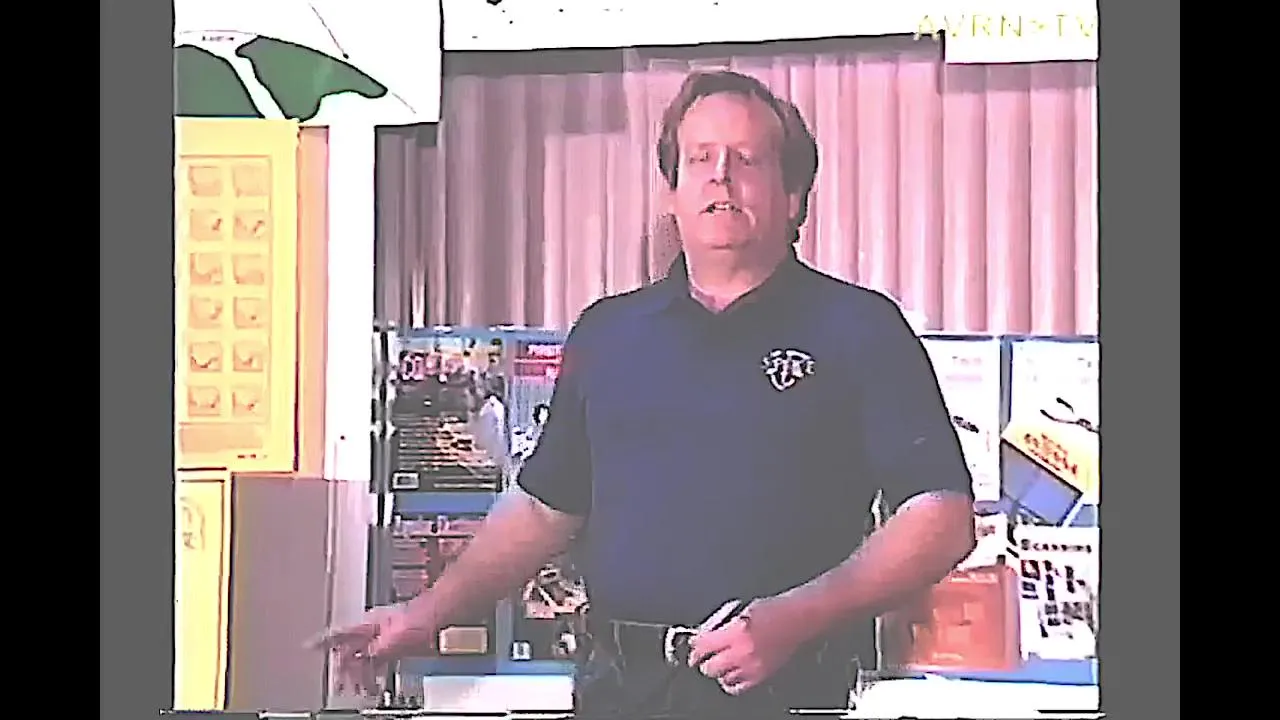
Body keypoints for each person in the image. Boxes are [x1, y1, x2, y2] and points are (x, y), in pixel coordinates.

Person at [313, 70, 977, 720]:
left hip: (789, 691)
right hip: (619, 693)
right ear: (673, 192)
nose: (720, 177)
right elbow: (544, 508)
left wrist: (792, 620)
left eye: (746, 159)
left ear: (793, 196)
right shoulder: (610, 332)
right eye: (700, 159)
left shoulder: (858, 328)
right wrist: (423, 615)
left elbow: (942, 518)